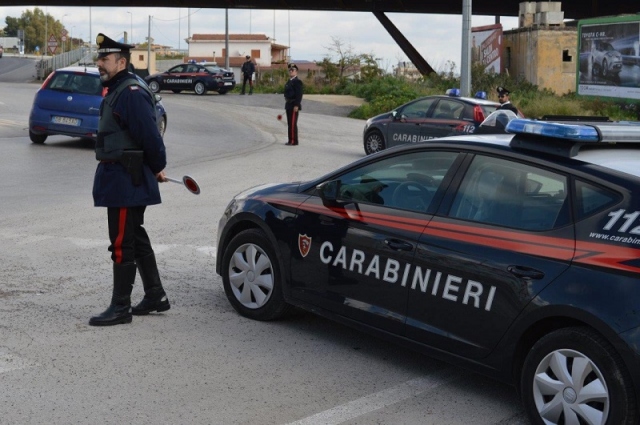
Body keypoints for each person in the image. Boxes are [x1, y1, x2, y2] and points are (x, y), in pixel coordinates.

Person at [89, 33, 170, 326]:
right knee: (135, 236)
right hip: (122, 178)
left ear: (121, 62)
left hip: (127, 180)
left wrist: (156, 165)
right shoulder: (119, 89)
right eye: (99, 58)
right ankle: (155, 295)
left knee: (123, 242)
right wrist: (154, 167)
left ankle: (120, 308)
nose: (99, 64)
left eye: (105, 59)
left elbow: (150, 136)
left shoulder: (131, 92)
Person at [284, 63, 303, 146]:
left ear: (296, 72)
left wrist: (296, 105)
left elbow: (299, 94)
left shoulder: (297, 82)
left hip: (294, 104)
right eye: (290, 70)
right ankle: (290, 139)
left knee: (292, 123)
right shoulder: (289, 81)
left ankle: (294, 141)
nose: (291, 71)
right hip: (288, 104)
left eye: (293, 70)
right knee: (289, 123)